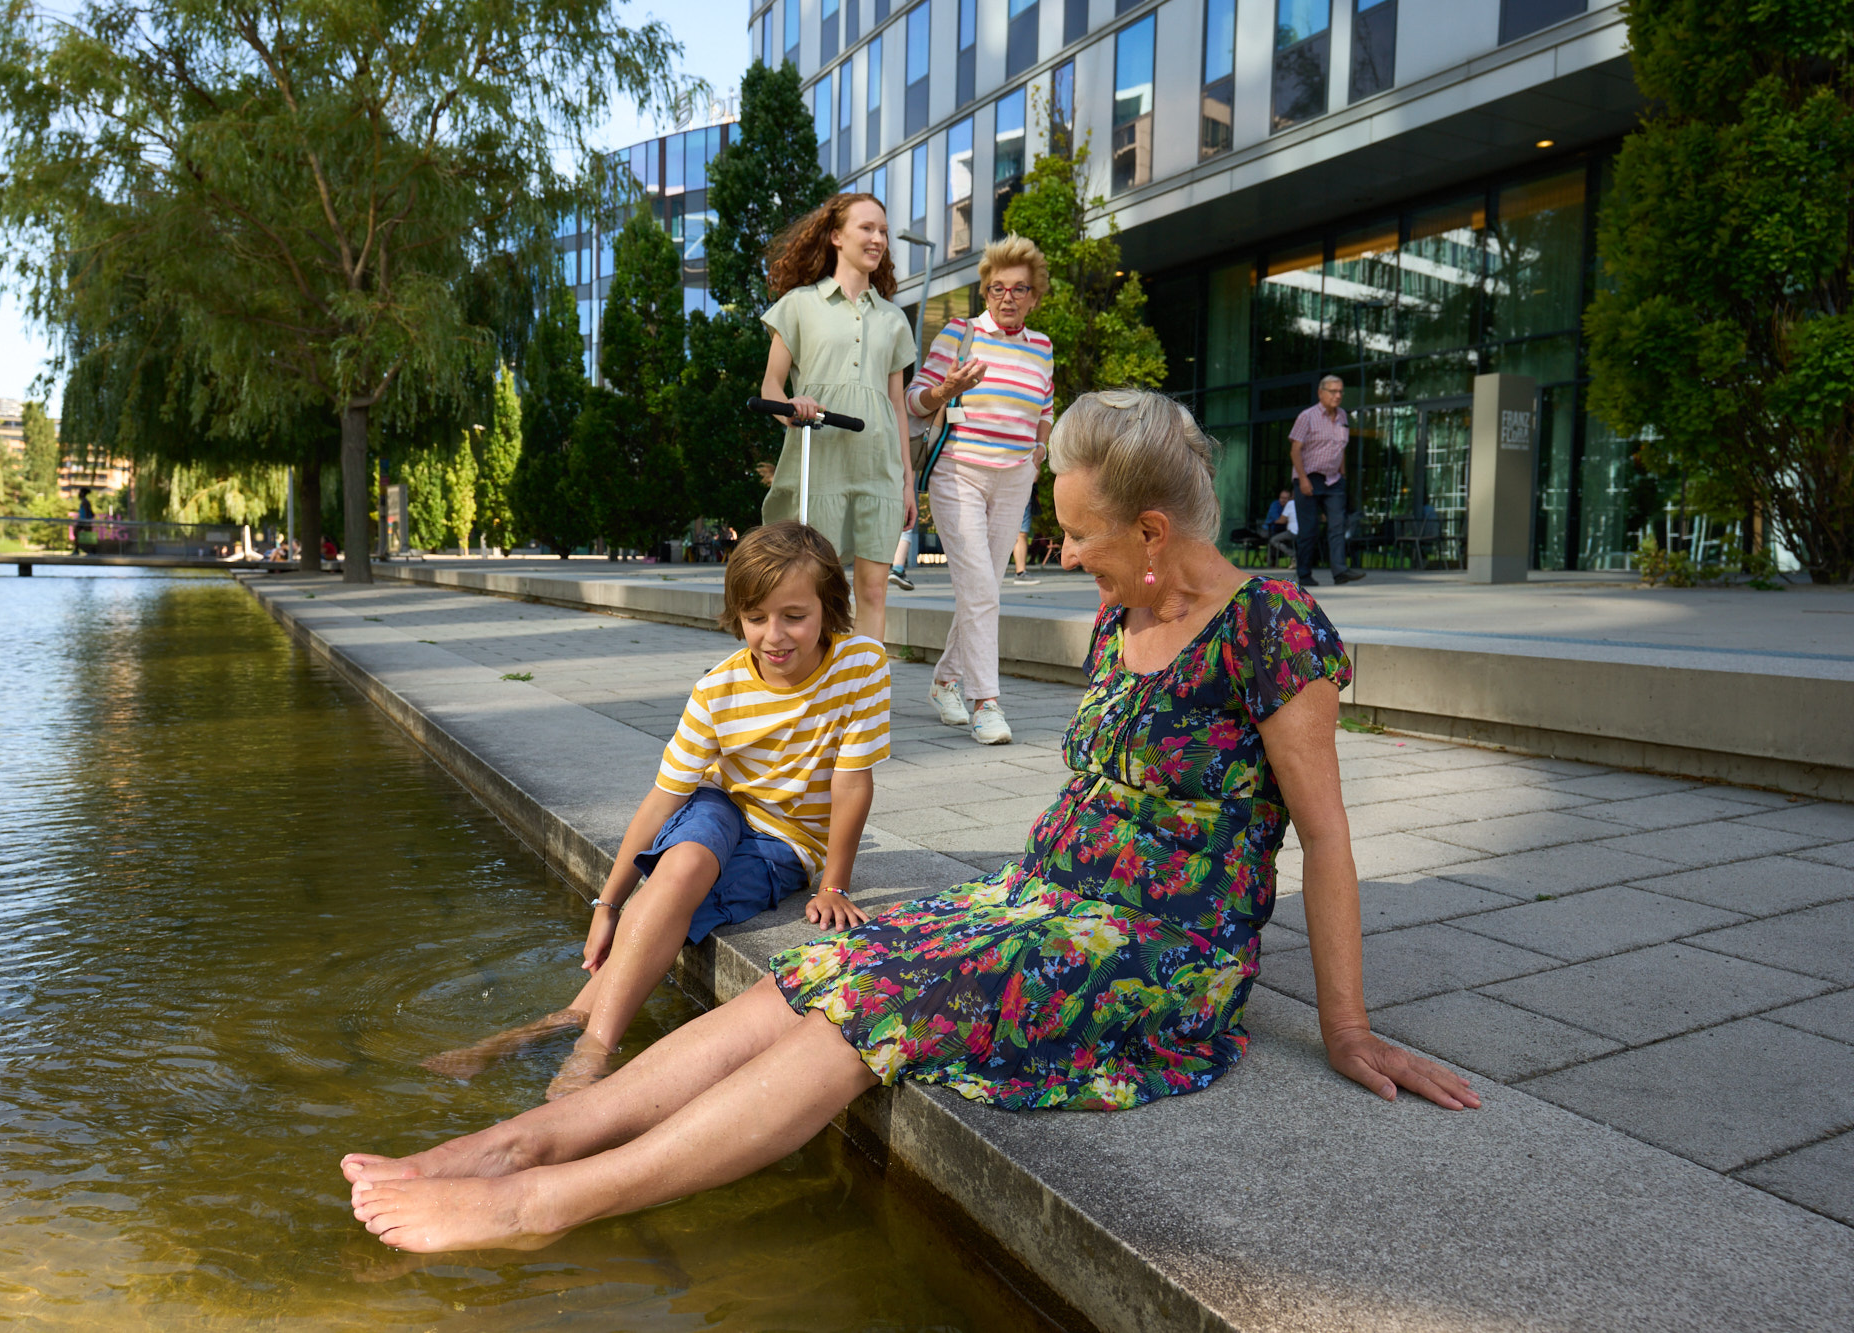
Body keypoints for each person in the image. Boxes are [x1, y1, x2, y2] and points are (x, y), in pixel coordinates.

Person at [341, 389, 1478, 1255]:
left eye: (1077, 533)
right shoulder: (1119, 620)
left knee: (876, 1013)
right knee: (828, 969)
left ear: (1148, 529)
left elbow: (1323, 838)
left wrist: (1345, 1029)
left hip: (1149, 954)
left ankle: (538, 1201)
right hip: (1037, 905)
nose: (1061, 551)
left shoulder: (1270, 628)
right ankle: (520, 1138)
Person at [418, 521, 887, 1098]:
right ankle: (593, 1052)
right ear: (737, 614)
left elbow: (851, 784)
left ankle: (561, 1030)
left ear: (830, 607)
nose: (774, 636)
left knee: (671, 908)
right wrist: (607, 903)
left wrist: (834, 884)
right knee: (682, 864)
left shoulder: (861, 665)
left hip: (785, 843)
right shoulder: (718, 691)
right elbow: (664, 798)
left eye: (794, 615)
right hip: (720, 801)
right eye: (756, 617)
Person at [907, 236, 1056, 745]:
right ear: (985, 291)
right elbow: (913, 402)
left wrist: (1039, 455)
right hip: (959, 473)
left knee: (983, 588)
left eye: (1020, 289)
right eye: (997, 288)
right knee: (979, 587)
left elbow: (1045, 410)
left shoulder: (1042, 347)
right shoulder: (960, 333)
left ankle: (945, 681)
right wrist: (946, 390)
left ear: (1035, 296)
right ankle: (985, 702)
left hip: (1015, 475)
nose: (1008, 297)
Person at [759, 193, 920, 646]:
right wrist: (793, 408)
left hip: (878, 469)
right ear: (836, 236)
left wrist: (908, 482)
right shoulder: (798, 305)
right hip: (820, 465)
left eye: (884, 231)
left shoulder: (893, 319)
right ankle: (820, 692)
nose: (878, 239)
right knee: (816, 587)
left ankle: (867, 700)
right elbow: (771, 387)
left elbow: (895, 406)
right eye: (867, 228)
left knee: (873, 590)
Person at [1288, 376, 1364, 587]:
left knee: (1337, 527)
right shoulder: (1307, 416)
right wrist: (1302, 479)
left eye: (1340, 391)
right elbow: (1295, 450)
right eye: (1333, 391)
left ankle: (1340, 572)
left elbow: (1341, 448)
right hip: (1309, 477)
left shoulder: (1342, 416)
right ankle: (1304, 574)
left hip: (1334, 480)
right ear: (1321, 393)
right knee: (1309, 529)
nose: (1338, 395)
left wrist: (1343, 473)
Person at [1009, 491, 1040, 585]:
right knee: (1021, 533)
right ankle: (1020, 573)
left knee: (1021, 533)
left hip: (1019, 491)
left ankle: (1021, 573)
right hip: (1018, 490)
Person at [1265, 487, 1297, 567]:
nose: (1282, 500)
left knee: (1277, 539)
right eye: (1281, 498)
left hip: (1287, 531)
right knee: (1275, 539)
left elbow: (1281, 521)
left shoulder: (1290, 504)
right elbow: (1278, 521)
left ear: (1290, 498)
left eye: (1285, 498)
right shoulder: (1275, 505)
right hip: (1270, 529)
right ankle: (1273, 560)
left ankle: (1294, 556)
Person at [73, 488, 95, 555]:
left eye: (80, 492)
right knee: (77, 534)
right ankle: (77, 550)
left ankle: (91, 551)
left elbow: (88, 512)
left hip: (84, 521)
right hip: (83, 521)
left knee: (88, 536)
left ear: (82, 493)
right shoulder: (85, 501)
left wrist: (87, 521)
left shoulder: (85, 502)